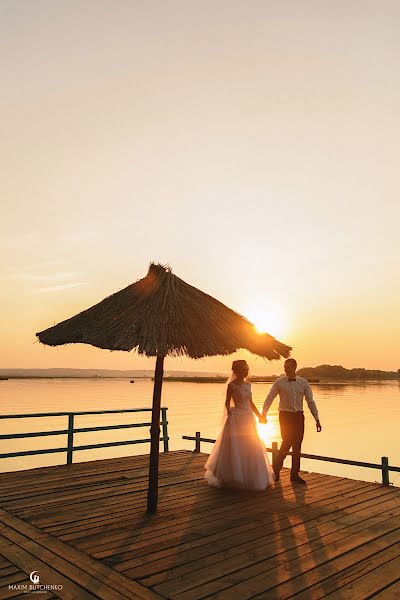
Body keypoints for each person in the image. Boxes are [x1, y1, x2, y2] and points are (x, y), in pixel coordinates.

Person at [204, 359, 274, 490]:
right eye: (243, 369)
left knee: (251, 444)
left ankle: (252, 476)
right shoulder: (232, 385)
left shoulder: (248, 385)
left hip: (248, 417)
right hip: (237, 418)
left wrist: (259, 416)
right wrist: (230, 413)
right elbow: (227, 402)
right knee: (235, 446)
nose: (246, 371)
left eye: (246, 369)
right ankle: (233, 476)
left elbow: (251, 402)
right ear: (236, 371)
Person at [260, 358, 322, 484]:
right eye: (284, 367)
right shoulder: (279, 382)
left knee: (297, 446)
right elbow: (269, 398)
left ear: (294, 367)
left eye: (288, 367)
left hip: (299, 416)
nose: (285, 369)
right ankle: (276, 470)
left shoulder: (303, 383)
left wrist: (317, 419)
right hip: (285, 416)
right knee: (286, 442)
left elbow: (310, 402)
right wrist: (263, 414)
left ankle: (294, 474)